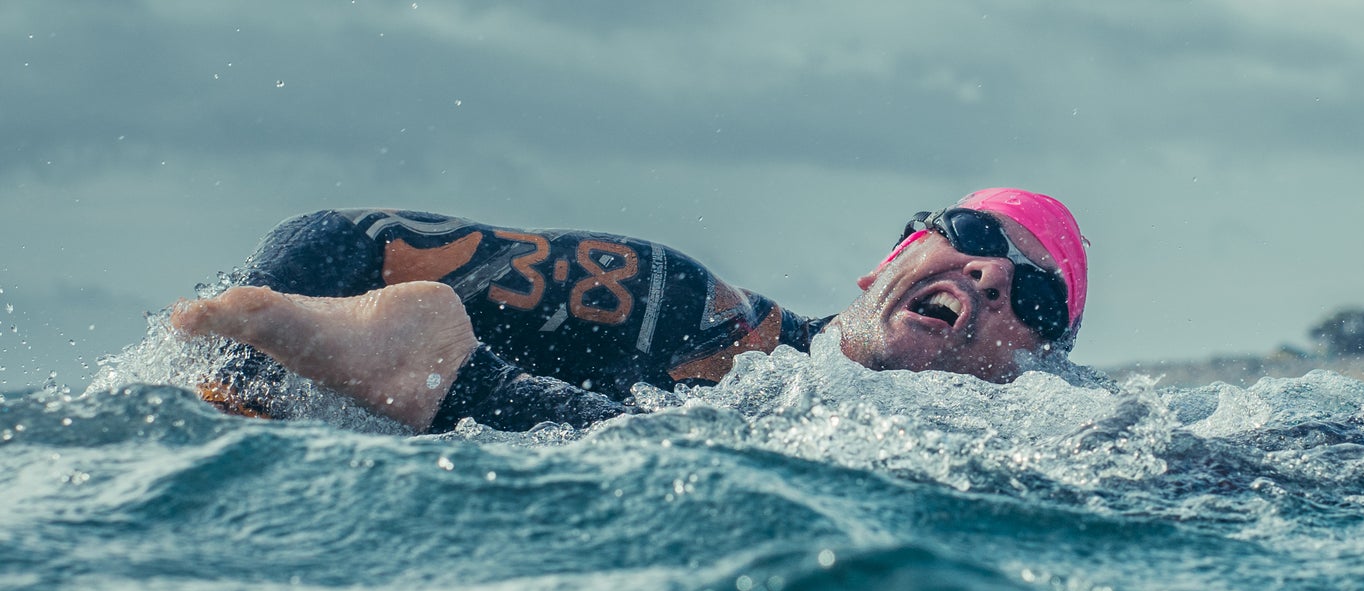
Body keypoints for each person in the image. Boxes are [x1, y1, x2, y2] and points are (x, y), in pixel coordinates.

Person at [169, 188, 1090, 432]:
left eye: (1035, 295)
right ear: (891, 259)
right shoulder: (673, 302)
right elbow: (343, 240)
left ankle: (439, 378)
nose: (991, 274)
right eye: (972, 232)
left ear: (1030, 364)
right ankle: (422, 371)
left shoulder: (1008, 445)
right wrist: (242, 384)